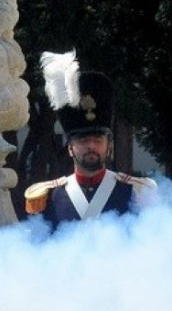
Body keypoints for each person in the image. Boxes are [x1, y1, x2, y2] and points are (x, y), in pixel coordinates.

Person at [24, 51, 156, 227]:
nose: (91, 145)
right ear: (70, 147)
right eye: (83, 140)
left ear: (109, 146)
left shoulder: (135, 192)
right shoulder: (48, 197)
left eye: (98, 139)